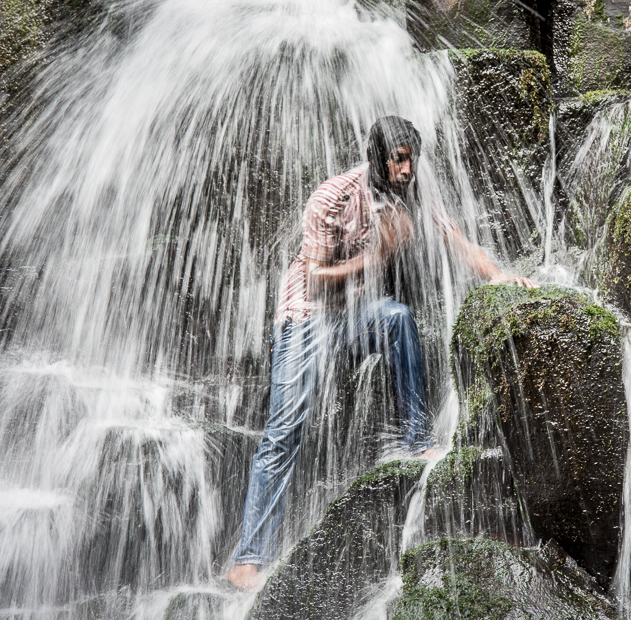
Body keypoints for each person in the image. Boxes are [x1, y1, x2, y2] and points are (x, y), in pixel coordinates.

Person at [226, 116, 535, 590]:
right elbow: (311, 276)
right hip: (304, 316)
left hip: (352, 315)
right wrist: (373, 259)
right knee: (284, 429)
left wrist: (495, 275)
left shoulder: (413, 193)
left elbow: (454, 237)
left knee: (397, 318)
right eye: (399, 159)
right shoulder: (334, 196)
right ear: (377, 157)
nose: (408, 169)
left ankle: (417, 438)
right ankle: (248, 559)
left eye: (413, 158)